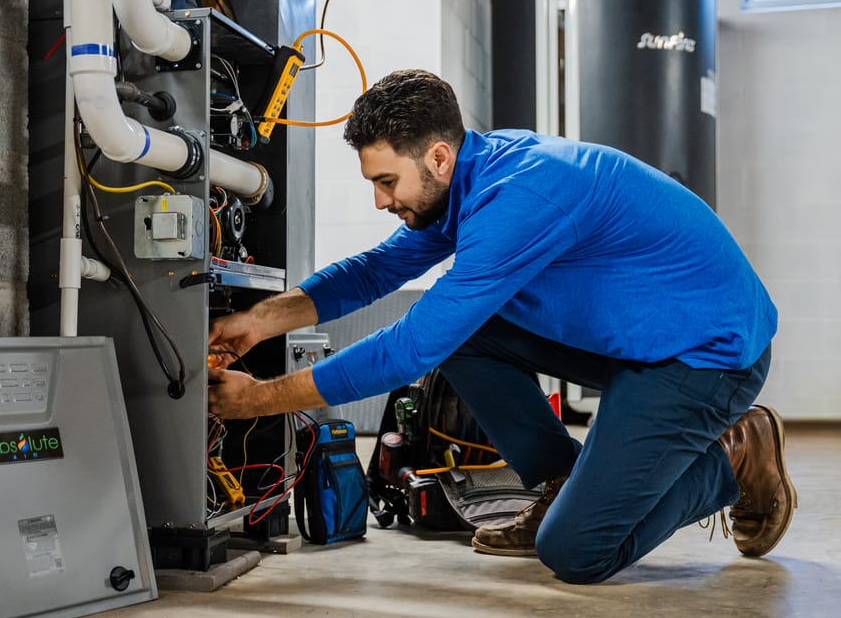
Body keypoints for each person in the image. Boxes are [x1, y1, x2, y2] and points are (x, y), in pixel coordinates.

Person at [207, 69, 796, 584]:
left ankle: (734, 456)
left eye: (386, 182)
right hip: (638, 341)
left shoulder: (521, 196)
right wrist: (261, 319)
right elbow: (375, 271)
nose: (381, 201)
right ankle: (562, 480)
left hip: (706, 358)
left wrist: (261, 399)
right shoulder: (468, 178)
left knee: (575, 551)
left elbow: (411, 346)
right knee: (468, 336)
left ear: (438, 156)